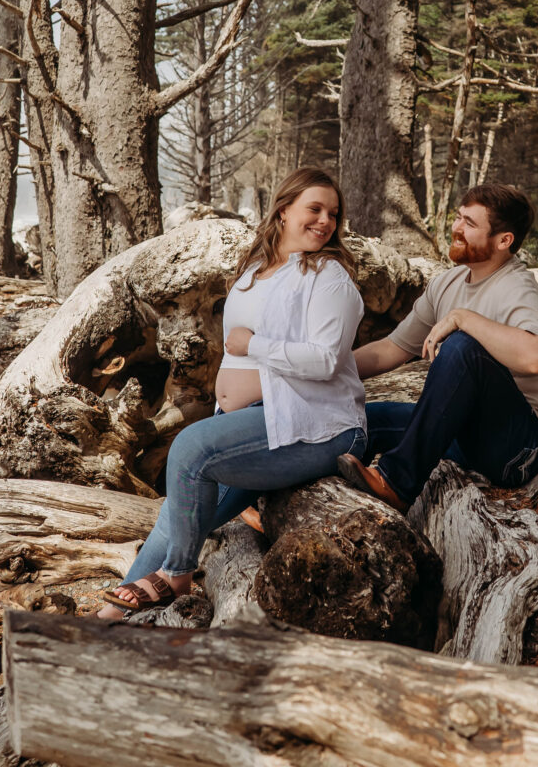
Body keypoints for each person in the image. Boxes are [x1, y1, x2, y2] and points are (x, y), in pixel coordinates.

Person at [100, 167, 366, 616]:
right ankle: (107, 622)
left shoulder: (327, 276)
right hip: (249, 424)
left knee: (189, 447)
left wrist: (252, 345)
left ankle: (177, 576)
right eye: (314, 209)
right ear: (283, 211)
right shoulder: (256, 269)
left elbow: (325, 360)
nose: (326, 221)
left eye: (333, 214)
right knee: (175, 518)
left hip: (311, 425)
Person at [337, 183, 538, 512]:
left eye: (470, 224)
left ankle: (396, 483)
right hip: (466, 431)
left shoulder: (518, 287)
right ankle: (284, 490)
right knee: (358, 422)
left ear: (504, 241)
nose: (456, 228)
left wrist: (463, 318)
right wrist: (324, 369)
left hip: (523, 445)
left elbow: (535, 358)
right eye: (458, 218)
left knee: (462, 347)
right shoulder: (447, 283)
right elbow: (390, 349)